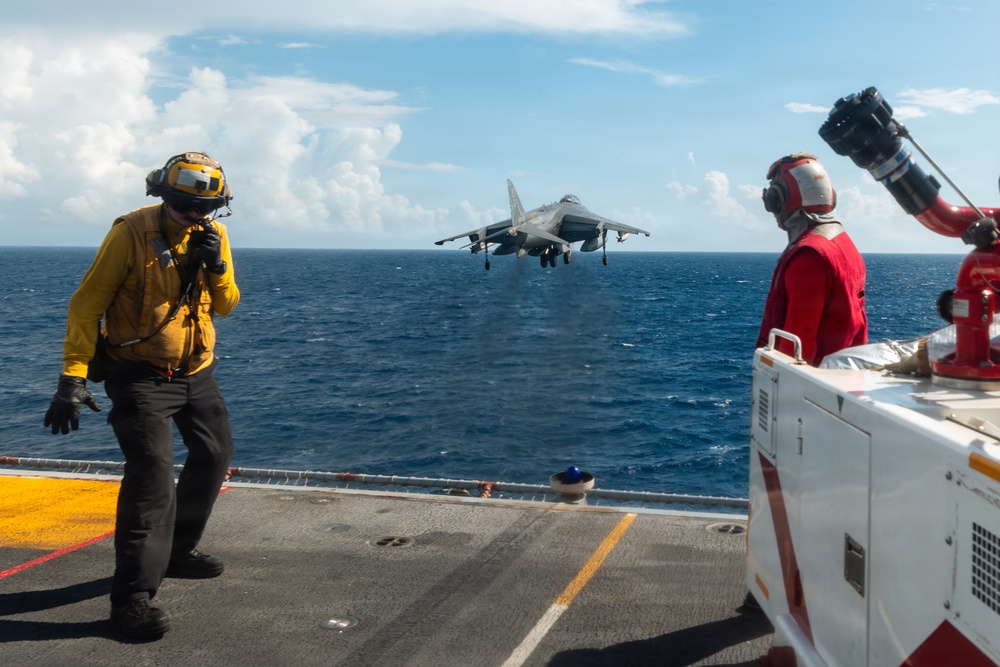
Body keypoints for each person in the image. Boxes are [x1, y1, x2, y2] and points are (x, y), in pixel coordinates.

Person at [43, 152, 240, 640]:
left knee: (215, 454)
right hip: (139, 376)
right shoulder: (129, 233)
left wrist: (216, 266)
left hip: (195, 371)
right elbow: (86, 305)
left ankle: (177, 552)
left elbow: (228, 305)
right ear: (163, 196)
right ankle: (131, 601)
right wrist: (72, 378)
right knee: (151, 477)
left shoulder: (211, 234)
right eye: (184, 206)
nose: (193, 216)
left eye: (204, 209)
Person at [756, 152, 868, 366]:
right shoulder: (843, 242)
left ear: (778, 200)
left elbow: (798, 342)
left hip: (813, 388)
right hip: (844, 377)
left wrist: (785, 392)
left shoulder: (809, 256)